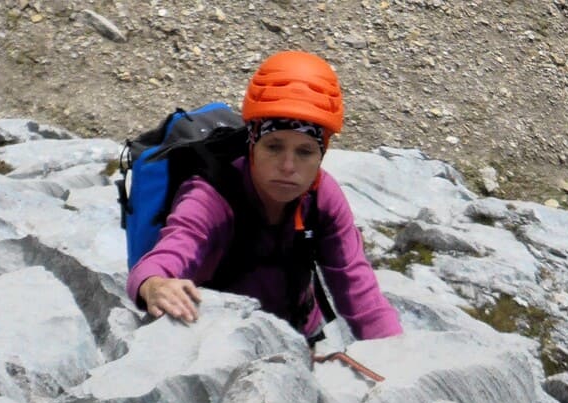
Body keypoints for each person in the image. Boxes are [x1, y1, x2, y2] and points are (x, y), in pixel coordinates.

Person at [126, 51, 403, 343]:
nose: (287, 166)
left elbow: (359, 291)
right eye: (273, 147)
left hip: (299, 337)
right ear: (252, 142)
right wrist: (155, 284)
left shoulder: (322, 195)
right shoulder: (211, 194)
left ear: (323, 154)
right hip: (218, 342)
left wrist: (394, 353)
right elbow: (167, 254)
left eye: (305, 151)